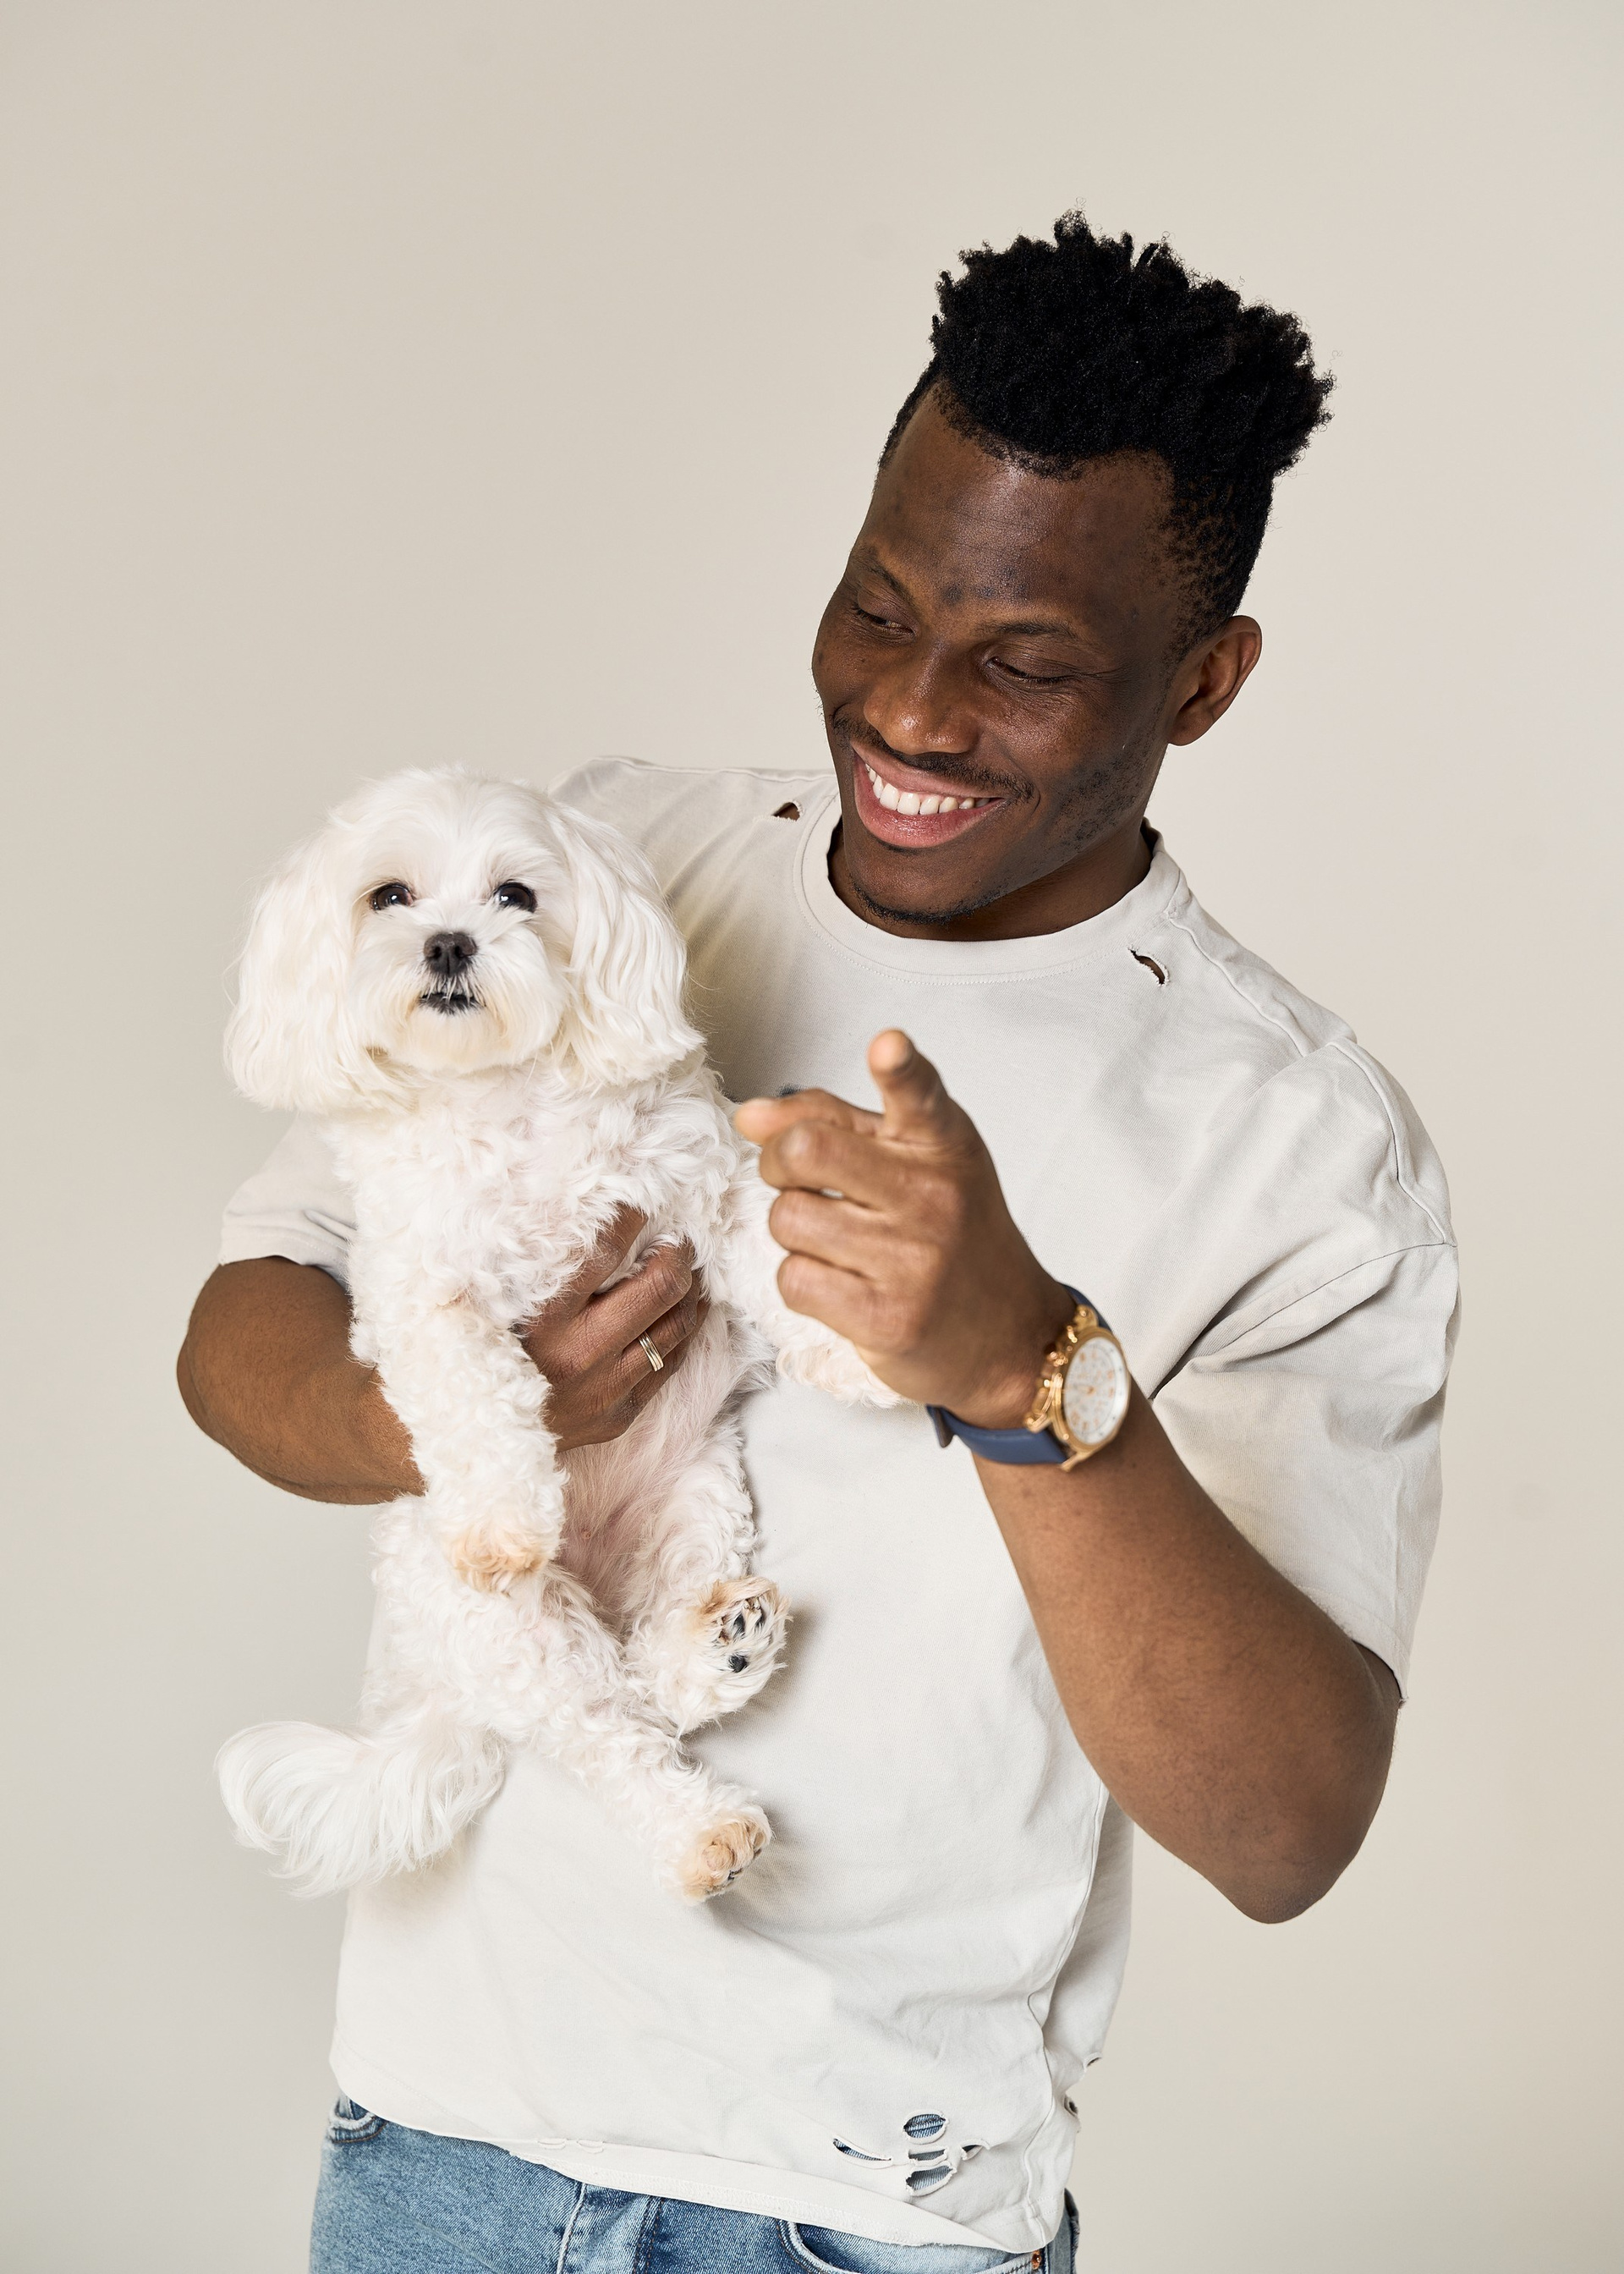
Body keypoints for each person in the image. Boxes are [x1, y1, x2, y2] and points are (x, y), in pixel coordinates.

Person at [179, 213, 1457, 2274]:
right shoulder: (603, 869)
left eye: (1028, 665)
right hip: (434, 2139)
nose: (916, 712)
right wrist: (452, 1415)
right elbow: (249, 1319)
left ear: (1206, 681)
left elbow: (1283, 1827)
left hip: (861, 2209)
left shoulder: (1294, 1140)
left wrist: (1030, 1374)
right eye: (878, 605)